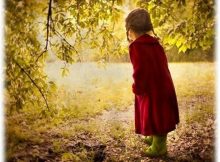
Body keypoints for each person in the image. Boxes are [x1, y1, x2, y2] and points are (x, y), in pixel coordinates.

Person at [125, 8, 180, 157]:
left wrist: (137, 87)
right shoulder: (156, 43)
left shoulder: (135, 46)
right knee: (159, 114)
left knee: (154, 113)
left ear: (131, 29)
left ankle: (159, 147)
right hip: (163, 85)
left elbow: (139, 70)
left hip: (150, 87)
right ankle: (154, 137)